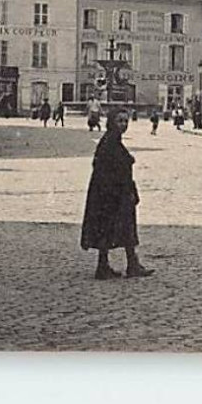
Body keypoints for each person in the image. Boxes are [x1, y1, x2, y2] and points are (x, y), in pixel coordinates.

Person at [80, 111, 153, 280]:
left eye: (126, 121)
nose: (124, 124)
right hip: (112, 194)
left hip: (113, 193)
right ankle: (121, 266)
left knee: (116, 228)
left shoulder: (111, 140)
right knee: (117, 228)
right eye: (120, 121)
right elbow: (107, 168)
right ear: (112, 122)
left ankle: (115, 265)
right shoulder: (110, 142)